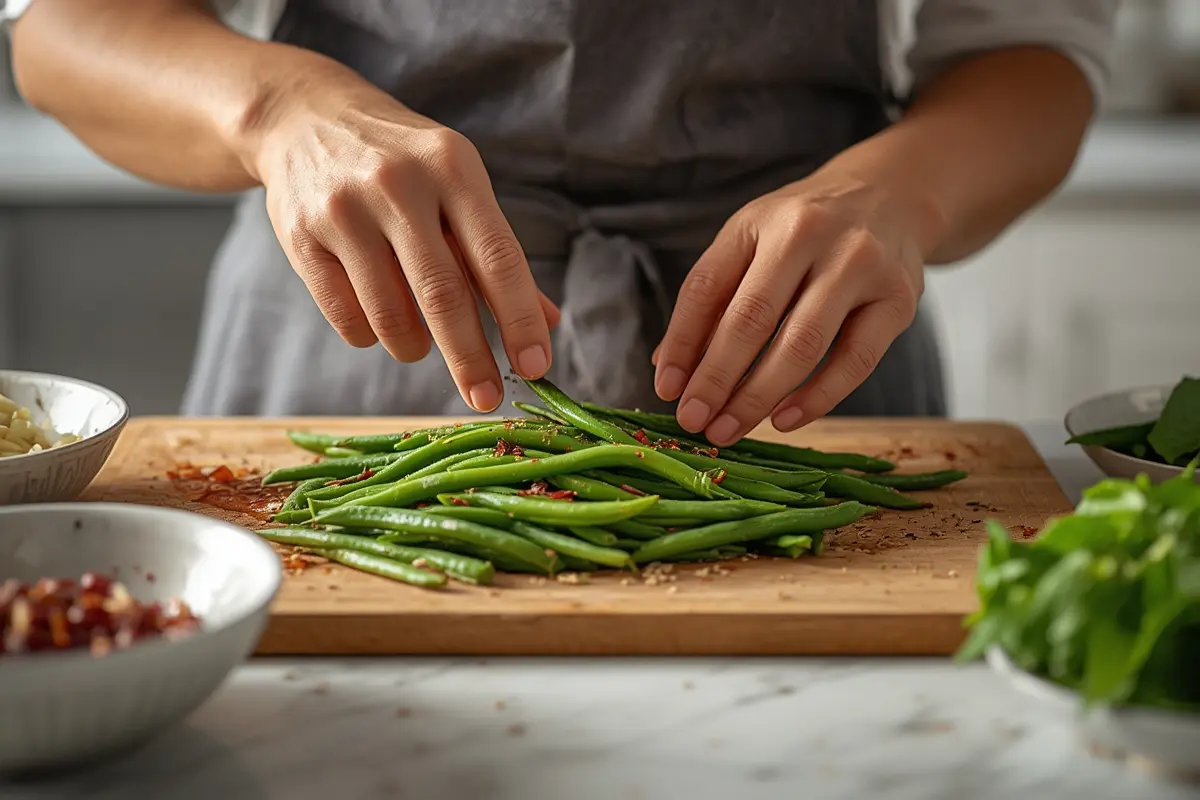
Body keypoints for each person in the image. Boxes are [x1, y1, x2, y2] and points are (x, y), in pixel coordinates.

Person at [7, 0, 1117, 445]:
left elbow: (1031, 46)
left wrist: (901, 194)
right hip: (354, 354)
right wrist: (276, 108)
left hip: (797, 357)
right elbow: (62, 26)